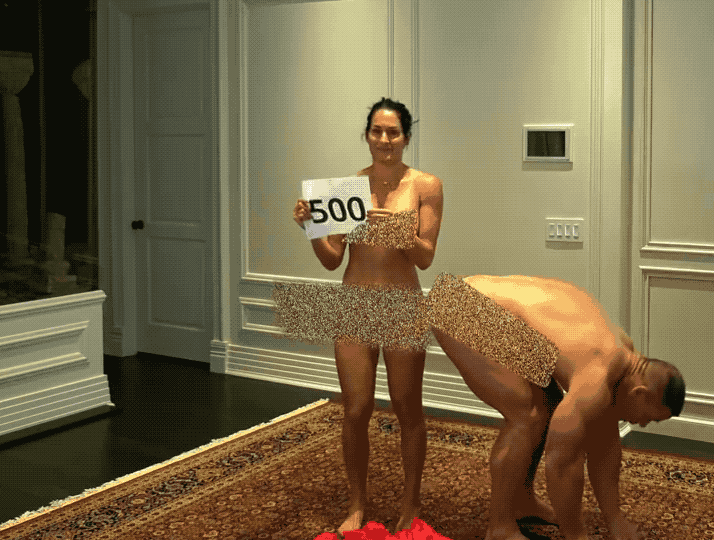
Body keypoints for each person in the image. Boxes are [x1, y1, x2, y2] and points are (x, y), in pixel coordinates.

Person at [426, 273, 686, 540]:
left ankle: (522, 501)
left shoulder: (621, 357)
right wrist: (576, 535)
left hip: (485, 309)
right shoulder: (598, 374)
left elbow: (605, 448)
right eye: (650, 419)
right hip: (459, 305)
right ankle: (499, 528)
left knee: (548, 405)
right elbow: (562, 463)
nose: (642, 424)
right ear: (640, 393)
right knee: (527, 416)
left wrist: (615, 521)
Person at [286, 98, 444, 535]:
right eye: (377, 131)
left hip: (401, 306)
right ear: (367, 135)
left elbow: (426, 257)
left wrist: (397, 231)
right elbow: (332, 260)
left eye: (393, 132)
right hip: (355, 306)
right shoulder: (348, 188)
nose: (384, 139)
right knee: (356, 409)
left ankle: (411, 503)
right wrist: (310, 227)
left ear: (406, 137)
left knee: (407, 408)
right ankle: (357, 503)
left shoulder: (426, 185)